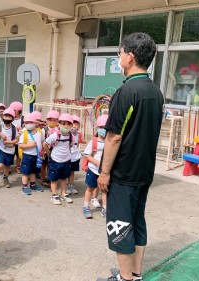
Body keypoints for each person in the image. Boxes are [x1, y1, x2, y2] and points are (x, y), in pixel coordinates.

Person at [96, 33, 164, 281]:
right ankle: (135, 273)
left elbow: (114, 137)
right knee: (136, 221)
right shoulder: (155, 91)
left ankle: (125, 278)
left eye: (120, 53)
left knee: (120, 225)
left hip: (124, 174)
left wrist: (104, 173)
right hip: (144, 171)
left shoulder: (126, 92)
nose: (118, 58)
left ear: (130, 57)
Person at [43, 113, 74, 205]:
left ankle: (64, 193)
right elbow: (45, 144)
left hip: (66, 160)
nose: (66, 126)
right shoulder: (55, 135)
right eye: (63, 124)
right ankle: (54, 195)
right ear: (59, 124)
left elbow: (71, 145)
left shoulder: (71, 136)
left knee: (64, 178)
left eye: (68, 124)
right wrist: (49, 153)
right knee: (54, 179)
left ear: (71, 125)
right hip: (55, 161)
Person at [83, 115, 109, 219]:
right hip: (93, 170)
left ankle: (105, 208)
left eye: (106, 127)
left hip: (105, 171)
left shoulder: (110, 142)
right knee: (90, 188)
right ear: (97, 128)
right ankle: (86, 206)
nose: (104, 129)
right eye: (101, 127)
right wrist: (96, 162)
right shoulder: (93, 141)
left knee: (104, 190)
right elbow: (86, 155)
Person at [18, 112, 44, 195]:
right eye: (26, 123)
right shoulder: (24, 134)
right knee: (25, 172)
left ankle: (33, 185)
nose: (28, 124)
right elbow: (20, 146)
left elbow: (42, 142)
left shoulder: (40, 132)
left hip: (37, 156)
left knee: (34, 171)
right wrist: (29, 145)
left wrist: (43, 151)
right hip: (27, 156)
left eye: (31, 122)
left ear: (35, 123)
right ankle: (24, 187)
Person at [0, 107, 18, 190]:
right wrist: (0, 134)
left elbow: (17, 139)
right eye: (5, 116)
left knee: (7, 166)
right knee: (0, 165)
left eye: (9, 116)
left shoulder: (14, 129)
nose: (7, 118)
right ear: (3, 117)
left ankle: (5, 178)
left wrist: (11, 142)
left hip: (10, 150)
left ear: (12, 118)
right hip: (0, 148)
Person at [40, 110, 60, 186]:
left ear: (58, 121)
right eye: (50, 120)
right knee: (44, 164)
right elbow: (42, 140)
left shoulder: (58, 130)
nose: (52, 122)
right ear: (47, 121)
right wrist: (42, 150)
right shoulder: (44, 129)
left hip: (55, 149)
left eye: (54, 120)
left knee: (51, 164)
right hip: (45, 149)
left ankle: (50, 178)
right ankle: (43, 178)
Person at [66, 115, 84, 195]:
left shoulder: (79, 134)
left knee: (72, 172)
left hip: (75, 155)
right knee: (66, 171)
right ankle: (65, 186)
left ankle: (71, 185)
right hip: (67, 155)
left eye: (76, 123)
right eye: (72, 123)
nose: (74, 125)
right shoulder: (66, 133)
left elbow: (79, 142)